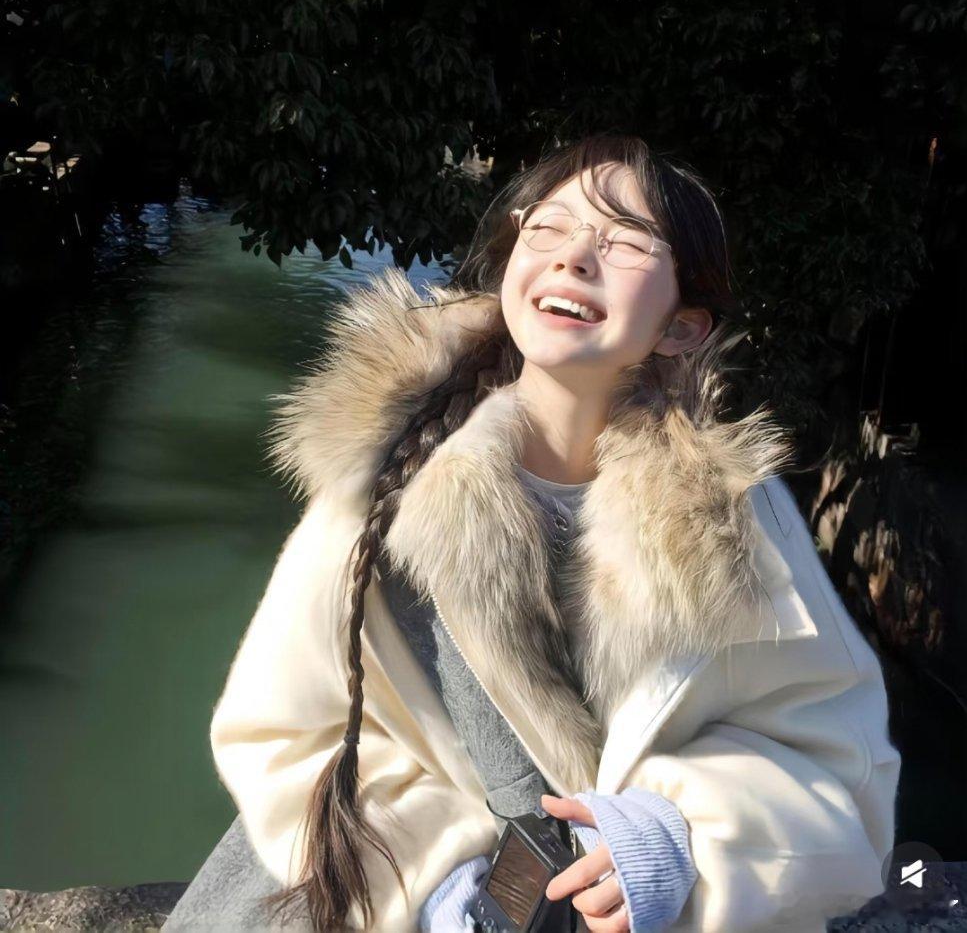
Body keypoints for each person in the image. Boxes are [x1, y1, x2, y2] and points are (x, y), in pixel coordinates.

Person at [175, 134, 900, 932]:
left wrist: (680, 837)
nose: (574, 257)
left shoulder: (734, 520)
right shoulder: (380, 484)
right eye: (547, 227)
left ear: (683, 328)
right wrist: (434, 879)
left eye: (626, 242)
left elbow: (843, 765)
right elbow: (280, 737)